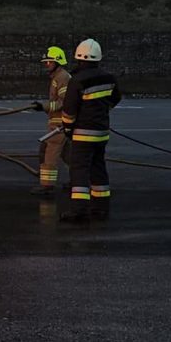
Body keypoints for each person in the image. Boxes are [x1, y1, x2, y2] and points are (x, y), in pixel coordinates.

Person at [60, 39, 122, 222]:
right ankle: (101, 207)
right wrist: (101, 111)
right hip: (102, 132)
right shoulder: (109, 78)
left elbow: (69, 110)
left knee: (79, 170)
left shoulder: (77, 80)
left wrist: (68, 129)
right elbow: (116, 98)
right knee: (98, 167)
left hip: (82, 133)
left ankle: (79, 210)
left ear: (78, 58)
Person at [30, 46, 71, 196]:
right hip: (60, 123)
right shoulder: (58, 77)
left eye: (49, 62)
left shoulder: (62, 78)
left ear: (58, 62)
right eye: (46, 62)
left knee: (50, 153)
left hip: (60, 124)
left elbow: (64, 101)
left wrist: (44, 106)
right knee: (68, 155)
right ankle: (79, 180)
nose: (46, 64)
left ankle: (47, 186)